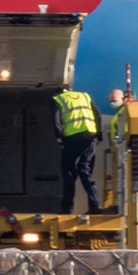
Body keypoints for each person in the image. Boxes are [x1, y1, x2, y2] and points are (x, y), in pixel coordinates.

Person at [53, 84, 102, 214]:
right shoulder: (85, 96)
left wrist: (59, 139)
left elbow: (56, 120)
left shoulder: (58, 99)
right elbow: (98, 115)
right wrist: (98, 136)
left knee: (69, 172)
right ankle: (94, 205)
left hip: (73, 139)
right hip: (91, 138)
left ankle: (67, 209)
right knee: (85, 170)